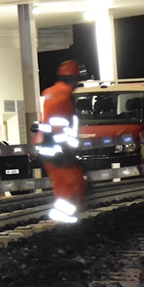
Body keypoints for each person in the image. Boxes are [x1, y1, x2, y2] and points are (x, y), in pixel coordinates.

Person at [36, 60, 87, 223]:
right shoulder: (65, 96)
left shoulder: (47, 92)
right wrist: (67, 151)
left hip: (46, 148)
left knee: (61, 183)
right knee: (75, 181)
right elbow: (60, 127)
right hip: (59, 149)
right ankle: (64, 218)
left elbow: (45, 122)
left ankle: (62, 218)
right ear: (74, 79)